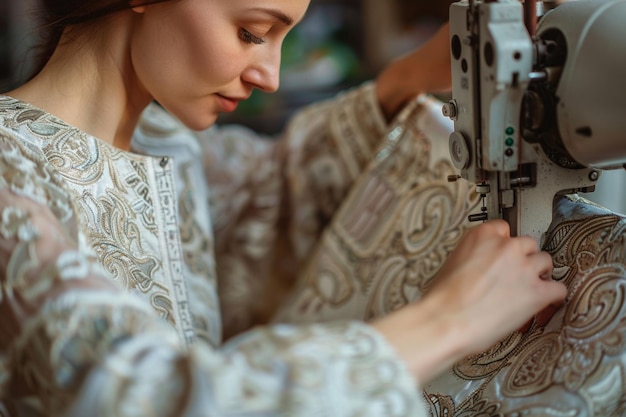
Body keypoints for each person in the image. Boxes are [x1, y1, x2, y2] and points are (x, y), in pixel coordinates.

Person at [0, 0, 567, 416]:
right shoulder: (10, 173)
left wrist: (407, 80)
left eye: (280, 39)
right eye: (251, 32)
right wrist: (448, 319)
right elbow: (138, 395)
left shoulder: (169, 143)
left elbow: (270, 194)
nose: (269, 77)